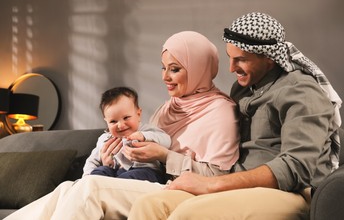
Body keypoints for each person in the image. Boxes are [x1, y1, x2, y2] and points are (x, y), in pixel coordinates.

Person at [127, 12, 343, 220]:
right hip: (240, 185)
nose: (231, 68)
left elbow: (296, 168)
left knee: (189, 215)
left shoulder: (301, 92)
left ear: (269, 58)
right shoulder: (243, 89)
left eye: (241, 60)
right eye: (230, 58)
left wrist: (212, 184)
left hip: (289, 192)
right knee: (150, 205)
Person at [5, 31, 240, 220]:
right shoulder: (168, 108)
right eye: (163, 67)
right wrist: (108, 161)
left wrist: (165, 155)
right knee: (69, 187)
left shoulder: (220, 111)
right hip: (143, 183)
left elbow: (218, 176)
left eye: (175, 69)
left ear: (199, 68)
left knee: (92, 189)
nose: (164, 77)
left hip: (179, 191)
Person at [85, 86, 171, 184]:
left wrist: (144, 136)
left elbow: (167, 141)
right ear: (106, 122)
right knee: (100, 172)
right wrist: (87, 176)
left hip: (146, 171)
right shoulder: (105, 139)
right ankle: (87, 186)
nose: (121, 125)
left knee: (127, 178)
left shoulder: (145, 131)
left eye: (126, 118)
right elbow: (92, 161)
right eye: (113, 121)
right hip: (116, 172)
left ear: (138, 114)